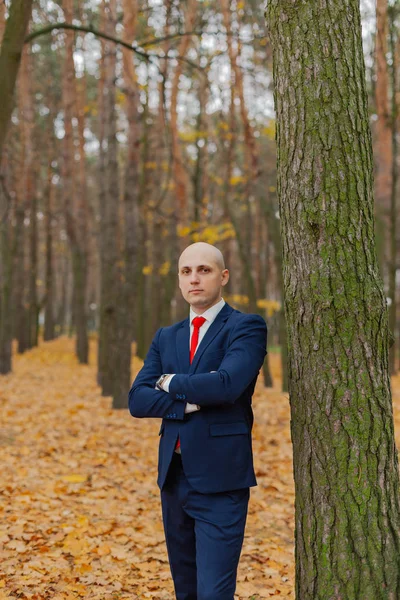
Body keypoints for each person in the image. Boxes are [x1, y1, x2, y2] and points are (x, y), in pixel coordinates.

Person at [128, 241, 268, 600]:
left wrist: (170, 382)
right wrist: (183, 406)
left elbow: (226, 385)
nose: (194, 279)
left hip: (221, 480)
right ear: (178, 280)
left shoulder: (246, 327)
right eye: (186, 271)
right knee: (186, 591)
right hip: (173, 479)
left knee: (213, 594)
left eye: (203, 270)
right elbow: (138, 399)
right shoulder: (167, 336)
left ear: (223, 277)